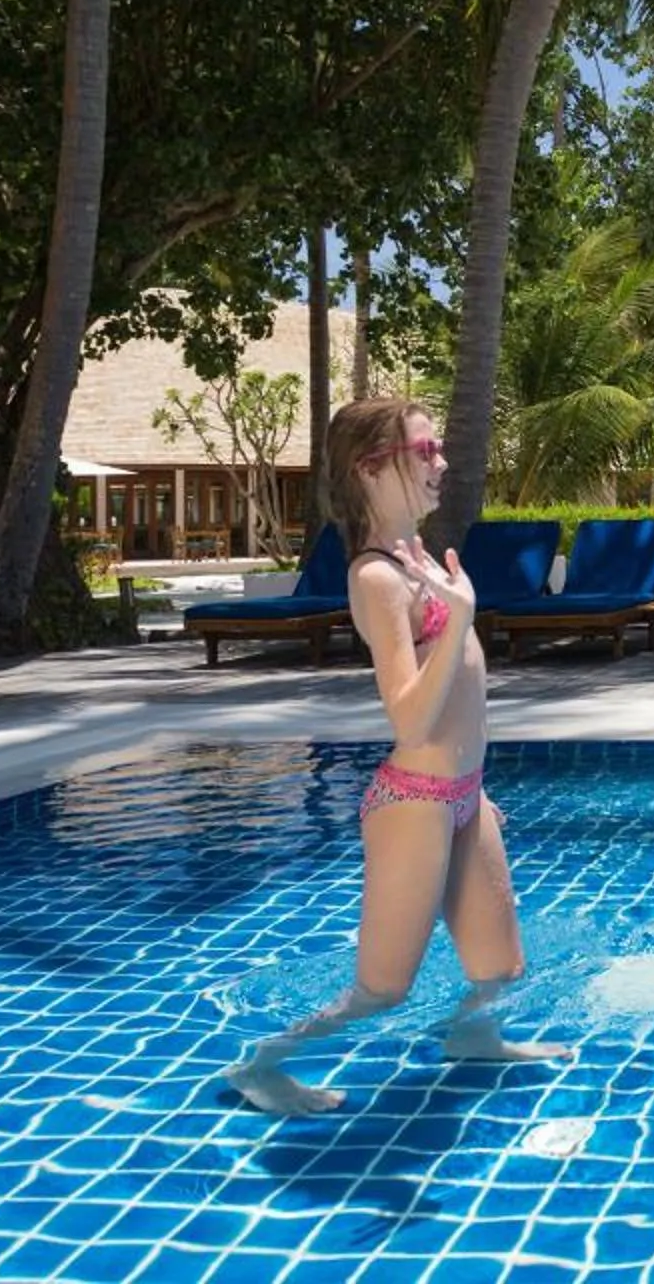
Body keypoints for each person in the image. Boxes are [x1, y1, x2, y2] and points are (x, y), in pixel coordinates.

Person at [225, 396, 567, 1114]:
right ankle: (260, 1065)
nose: (441, 461)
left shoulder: (418, 561)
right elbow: (410, 719)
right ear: (372, 468)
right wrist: (461, 618)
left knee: (501, 967)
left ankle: (472, 1038)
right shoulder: (376, 577)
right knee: (383, 989)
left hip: (465, 794)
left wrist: (475, 786)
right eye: (425, 450)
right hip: (415, 800)